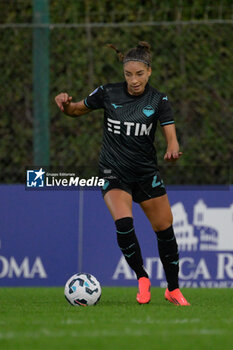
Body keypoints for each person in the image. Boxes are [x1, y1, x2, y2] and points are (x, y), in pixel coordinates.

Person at [55, 41, 190, 306]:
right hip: (113, 172)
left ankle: (172, 289)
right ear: (123, 73)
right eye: (128, 74)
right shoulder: (108, 93)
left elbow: (170, 136)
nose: (134, 80)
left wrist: (173, 147)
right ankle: (142, 277)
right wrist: (64, 103)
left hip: (145, 173)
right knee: (124, 223)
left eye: (139, 74)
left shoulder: (158, 99)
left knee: (165, 230)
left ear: (149, 71)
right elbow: (76, 110)